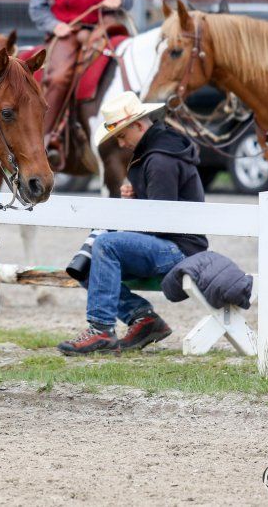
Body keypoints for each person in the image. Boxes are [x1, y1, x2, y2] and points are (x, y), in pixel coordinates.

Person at [57, 92, 208, 355]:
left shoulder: (159, 159)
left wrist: (128, 215)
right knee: (86, 264)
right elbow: (161, 210)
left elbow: (161, 222)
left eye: (122, 135)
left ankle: (101, 330)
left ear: (139, 125)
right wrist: (138, 195)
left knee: (104, 245)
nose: (121, 143)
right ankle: (142, 320)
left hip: (179, 249)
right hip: (172, 244)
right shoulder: (156, 152)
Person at [29, 0, 134, 168]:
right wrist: (55, 26)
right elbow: (37, 5)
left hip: (103, 28)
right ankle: (46, 137)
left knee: (130, 60)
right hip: (68, 30)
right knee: (60, 75)